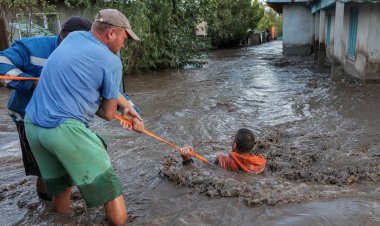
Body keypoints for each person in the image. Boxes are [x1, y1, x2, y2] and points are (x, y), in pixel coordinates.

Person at [24, 9, 143, 225]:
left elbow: (80, 76)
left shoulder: (74, 37)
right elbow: (107, 114)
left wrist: (126, 106)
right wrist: (114, 109)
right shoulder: (111, 61)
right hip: (64, 129)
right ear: (111, 33)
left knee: (61, 189)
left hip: (33, 126)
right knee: (111, 189)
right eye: (125, 38)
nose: (124, 45)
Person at [0, 16, 92, 201]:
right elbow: (1, 62)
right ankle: (47, 206)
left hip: (68, 119)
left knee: (70, 165)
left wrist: (130, 110)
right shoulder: (33, 47)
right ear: (63, 36)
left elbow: (109, 89)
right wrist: (33, 83)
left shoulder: (88, 55)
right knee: (43, 169)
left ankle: (58, 204)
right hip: (28, 118)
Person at [180, 128, 266, 174]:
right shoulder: (261, 162)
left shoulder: (222, 160)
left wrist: (187, 159)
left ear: (235, 145)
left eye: (233, 140)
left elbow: (200, 170)